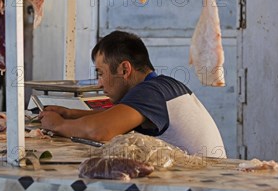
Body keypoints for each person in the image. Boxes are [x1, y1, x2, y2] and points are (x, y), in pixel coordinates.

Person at [39, 31, 226, 158]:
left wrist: (58, 124)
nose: (99, 83)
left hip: (201, 188)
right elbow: (114, 117)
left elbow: (99, 131)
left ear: (124, 69)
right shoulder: (163, 85)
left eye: (101, 73)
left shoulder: (150, 92)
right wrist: (71, 114)